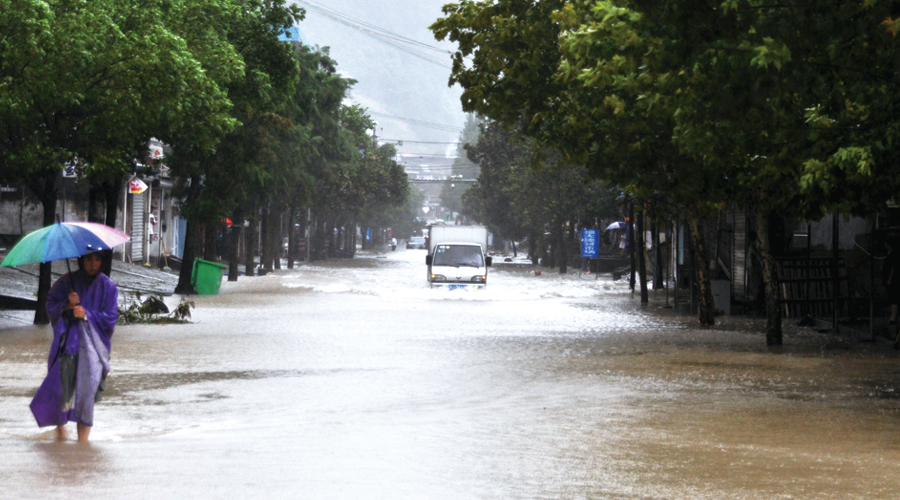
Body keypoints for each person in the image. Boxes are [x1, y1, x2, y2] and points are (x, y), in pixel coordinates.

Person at [30, 251, 118, 442]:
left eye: (97, 259)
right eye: (89, 259)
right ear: (81, 260)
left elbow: (111, 318)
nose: (93, 264)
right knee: (62, 391)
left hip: (93, 351)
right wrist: (67, 306)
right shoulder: (66, 282)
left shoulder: (109, 287)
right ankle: (60, 432)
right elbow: (51, 304)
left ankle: (82, 443)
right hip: (69, 346)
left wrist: (87, 314)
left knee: (87, 396)